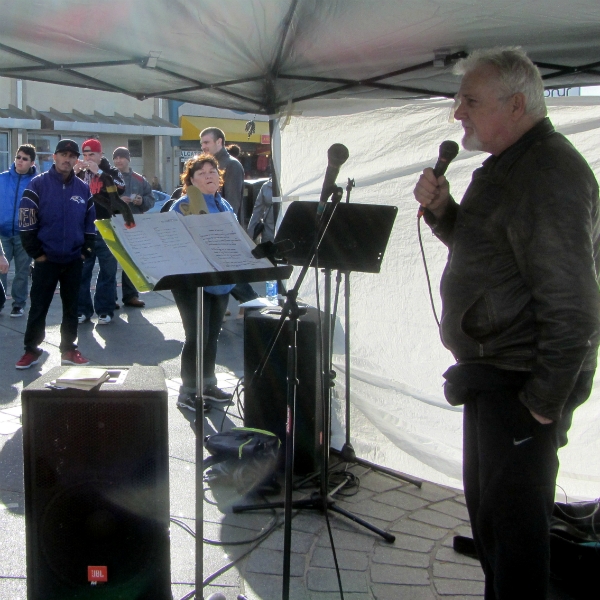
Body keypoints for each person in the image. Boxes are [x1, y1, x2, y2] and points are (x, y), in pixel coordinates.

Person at [413, 47, 600, 600]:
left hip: (520, 386)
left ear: (516, 104)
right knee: (496, 532)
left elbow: (574, 306)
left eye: (469, 100)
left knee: (516, 547)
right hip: (494, 377)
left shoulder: (548, 172)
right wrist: (446, 212)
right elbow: (490, 257)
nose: (457, 113)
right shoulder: (511, 164)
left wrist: (541, 404)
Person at [16, 139, 95, 369]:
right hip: (46, 260)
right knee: (38, 307)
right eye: (63, 154)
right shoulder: (37, 184)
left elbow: (90, 224)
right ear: (54, 157)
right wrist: (36, 253)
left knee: (72, 307)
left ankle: (69, 349)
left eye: (72, 156)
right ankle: (31, 350)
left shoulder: (83, 188)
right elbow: (26, 222)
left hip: (73, 260)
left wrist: (84, 252)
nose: (67, 159)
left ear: (76, 159)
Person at [170, 154, 235, 409]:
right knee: (196, 336)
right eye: (201, 173)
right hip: (190, 281)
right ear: (191, 181)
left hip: (221, 279)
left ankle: (207, 384)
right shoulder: (183, 205)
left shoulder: (224, 204)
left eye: (212, 171)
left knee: (212, 336)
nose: (209, 175)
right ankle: (187, 392)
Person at [200, 127, 258, 305]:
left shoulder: (231, 165)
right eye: (201, 143)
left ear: (219, 142)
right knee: (222, 272)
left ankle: (252, 302)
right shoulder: (208, 165)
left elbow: (232, 202)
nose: (203, 146)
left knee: (228, 272)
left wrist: (221, 227)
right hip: (209, 227)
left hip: (224, 227)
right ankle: (246, 304)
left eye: (206, 142)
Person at [75, 138, 125, 325]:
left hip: (108, 228)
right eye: (85, 155)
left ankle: (105, 309)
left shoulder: (110, 171)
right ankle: (82, 310)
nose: (88, 158)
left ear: (100, 155)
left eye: (92, 155)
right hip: (84, 230)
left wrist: (100, 173)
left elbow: (121, 187)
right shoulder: (79, 173)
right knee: (82, 272)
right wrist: (74, 173)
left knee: (108, 271)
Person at [112, 146, 155, 307]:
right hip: (113, 223)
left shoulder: (139, 180)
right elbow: (100, 200)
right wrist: (118, 201)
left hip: (133, 225)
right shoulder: (108, 178)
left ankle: (130, 296)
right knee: (110, 263)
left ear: (128, 159)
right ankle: (110, 298)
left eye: (121, 157)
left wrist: (141, 201)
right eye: (115, 158)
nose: (118, 161)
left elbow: (151, 200)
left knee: (131, 262)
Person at [0, 144, 37, 317]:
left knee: (22, 271)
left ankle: (18, 303)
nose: (20, 161)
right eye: (18, 157)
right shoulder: (2, 178)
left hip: (24, 233)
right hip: (2, 233)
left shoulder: (37, 182)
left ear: (31, 162)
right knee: (1, 269)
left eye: (24, 159)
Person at [247, 178, 276, 243]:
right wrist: (250, 231)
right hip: (268, 234)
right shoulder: (266, 186)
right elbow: (258, 210)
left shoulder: (290, 185)